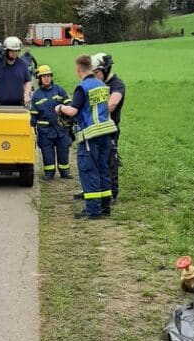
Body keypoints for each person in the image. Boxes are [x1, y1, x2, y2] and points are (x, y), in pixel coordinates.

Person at [55, 55, 118, 219]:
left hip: (91, 135)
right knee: (103, 169)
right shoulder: (102, 85)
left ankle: (93, 210)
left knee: (89, 170)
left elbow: (73, 111)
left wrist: (60, 107)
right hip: (106, 132)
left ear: (79, 70)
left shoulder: (82, 87)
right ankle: (105, 207)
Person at [91, 52, 126, 203]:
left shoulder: (117, 85)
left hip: (110, 129)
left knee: (110, 161)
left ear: (105, 70)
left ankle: (112, 193)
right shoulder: (96, 84)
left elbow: (111, 105)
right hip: (94, 128)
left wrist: (91, 109)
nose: (95, 76)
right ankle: (95, 189)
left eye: (97, 72)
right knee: (93, 160)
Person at [30, 65, 73, 181]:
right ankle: (49, 173)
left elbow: (69, 104)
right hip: (45, 131)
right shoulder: (36, 95)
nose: (46, 78)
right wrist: (32, 128)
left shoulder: (59, 90)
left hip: (61, 128)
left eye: (48, 76)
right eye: (43, 76)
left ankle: (64, 171)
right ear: (39, 78)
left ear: (51, 77)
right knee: (47, 152)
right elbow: (33, 115)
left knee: (63, 150)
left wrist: (66, 111)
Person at [0, 36, 32, 107]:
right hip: (0, 105)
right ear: (6, 51)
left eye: (17, 51)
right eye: (12, 51)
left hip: (19, 105)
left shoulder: (23, 64)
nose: (15, 53)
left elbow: (27, 82)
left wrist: (27, 95)